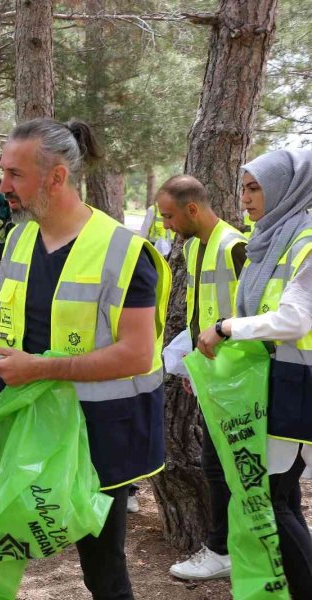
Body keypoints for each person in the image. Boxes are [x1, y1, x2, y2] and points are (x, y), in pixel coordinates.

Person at [0, 118, 170, 600]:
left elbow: (137, 354)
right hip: (32, 420)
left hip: (102, 433)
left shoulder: (123, 251)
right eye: (2, 173)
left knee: (103, 567)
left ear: (56, 177)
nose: (3, 186)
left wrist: (40, 368)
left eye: (15, 174)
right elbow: (6, 322)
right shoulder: (19, 239)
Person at [197, 149, 312, 598]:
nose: (245, 198)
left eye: (255, 187)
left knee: (274, 500)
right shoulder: (273, 237)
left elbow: (294, 320)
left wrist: (228, 328)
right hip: (273, 383)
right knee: (281, 498)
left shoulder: (304, 241)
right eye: (243, 187)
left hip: (295, 385)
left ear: (287, 189)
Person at [155, 175, 247, 581]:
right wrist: (195, 363)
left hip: (241, 379)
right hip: (213, 375)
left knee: (234, 466)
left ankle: (228, 549)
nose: (167, 225)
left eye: (169, 216)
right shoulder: (194, 249)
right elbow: (198, 314)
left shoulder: (234, 246)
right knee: (216, 464)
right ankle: (227, 547)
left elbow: (255, 313)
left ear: (193, 209)